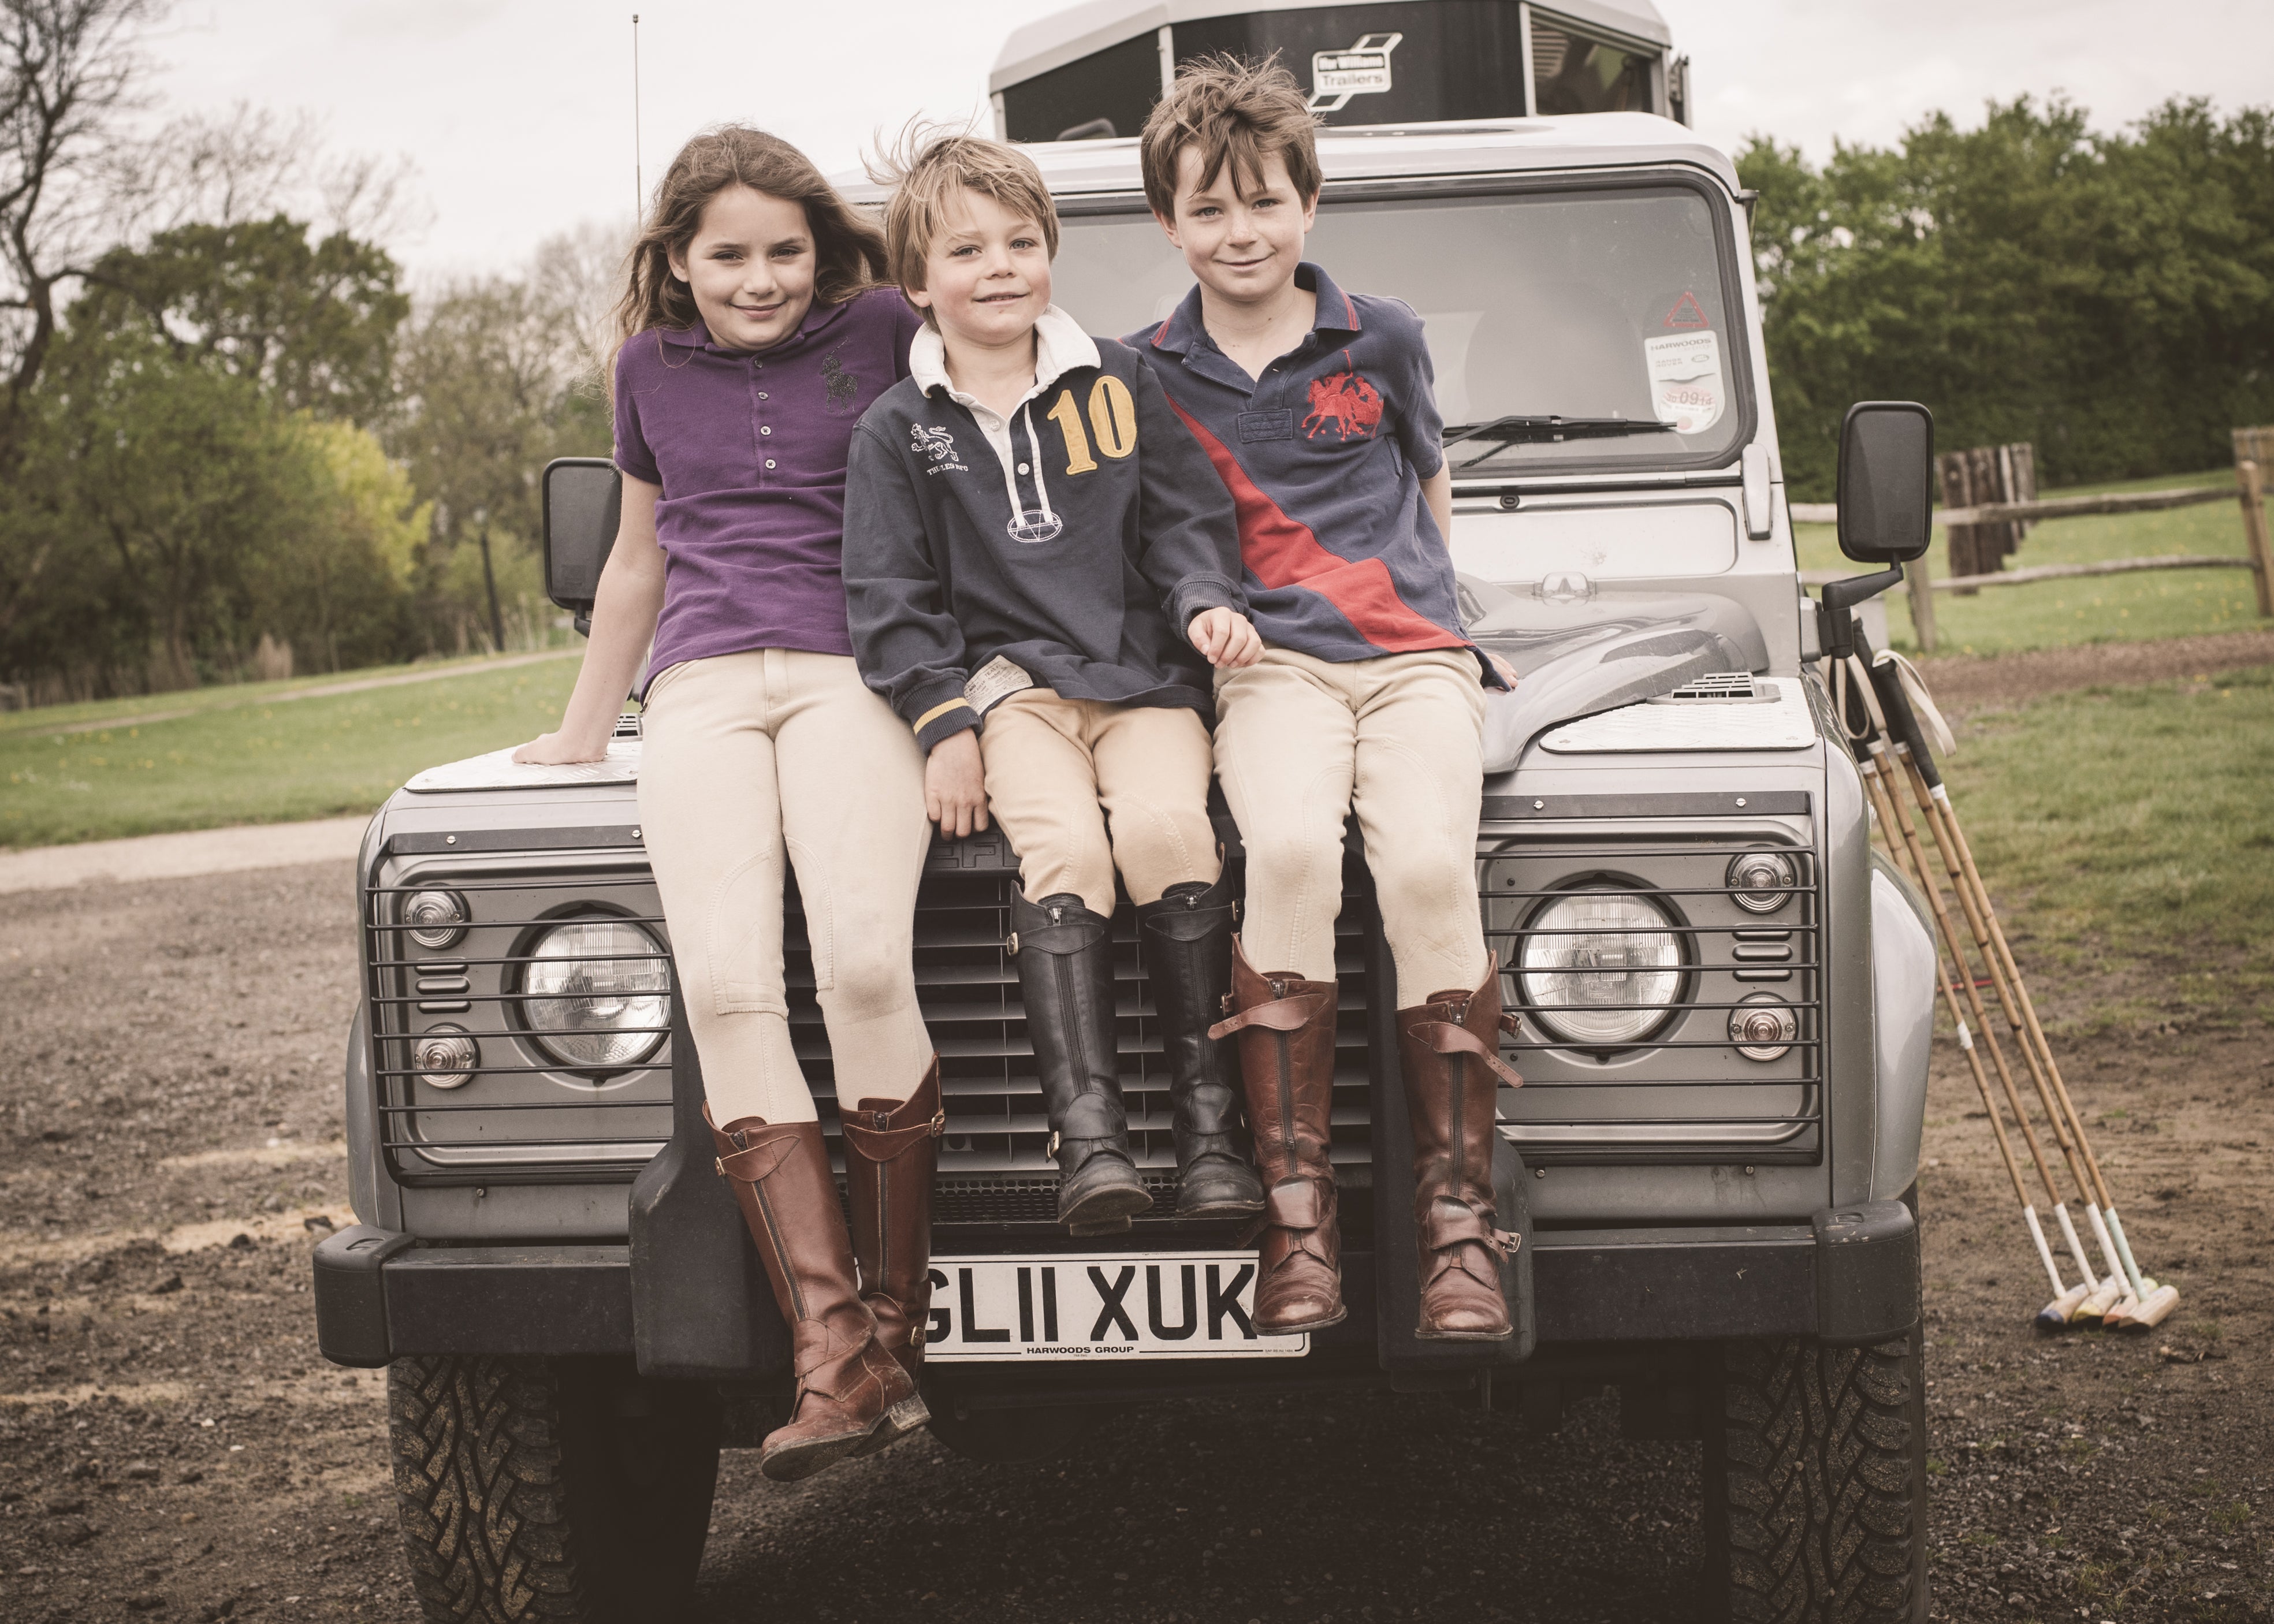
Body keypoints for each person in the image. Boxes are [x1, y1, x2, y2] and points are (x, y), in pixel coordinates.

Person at [513, 126, 939, 1482]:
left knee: (865, 955)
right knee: (727, 991)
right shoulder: (645, 368)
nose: (760, 280)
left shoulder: (879, 327)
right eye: (728, 256)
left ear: (821, 249)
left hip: (850, 668)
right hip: (699, 684)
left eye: (783, 252)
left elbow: (997, 404)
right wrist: (584, 731)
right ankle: (834, 1348)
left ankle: (895, 1318)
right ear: (678, 260)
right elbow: (638, 559)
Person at [1134, 59, 1523, 1340]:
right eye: (1209, 211)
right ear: (1168, 223)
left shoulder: (1385, 334)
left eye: (1263, 203)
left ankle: (1460, 1237)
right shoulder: (1149, 373)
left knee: (1423, 870)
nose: (1239, 233)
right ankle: (1298, 1223)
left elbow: (1428, 485)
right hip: (1271, 668)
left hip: (1410, 658)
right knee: (1289, 851)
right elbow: (1164, 534)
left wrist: (1450, 620)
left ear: (1309, 202)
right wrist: (1206, 611)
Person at [843, 132, 1264, 1236]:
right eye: (966, 250)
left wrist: (1204, 602)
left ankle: (1211, 1139)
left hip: (1142, 683)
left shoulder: (1123, 380)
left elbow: (1184, 521)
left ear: (1051, 251)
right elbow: (889, 593)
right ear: (915, 283)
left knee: (1173, 833)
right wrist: (943, 721)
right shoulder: (899, 429)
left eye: (1021, 242)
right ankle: (1091, 1147)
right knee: (1065, 851)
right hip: (1013, 692)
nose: (999, 268)